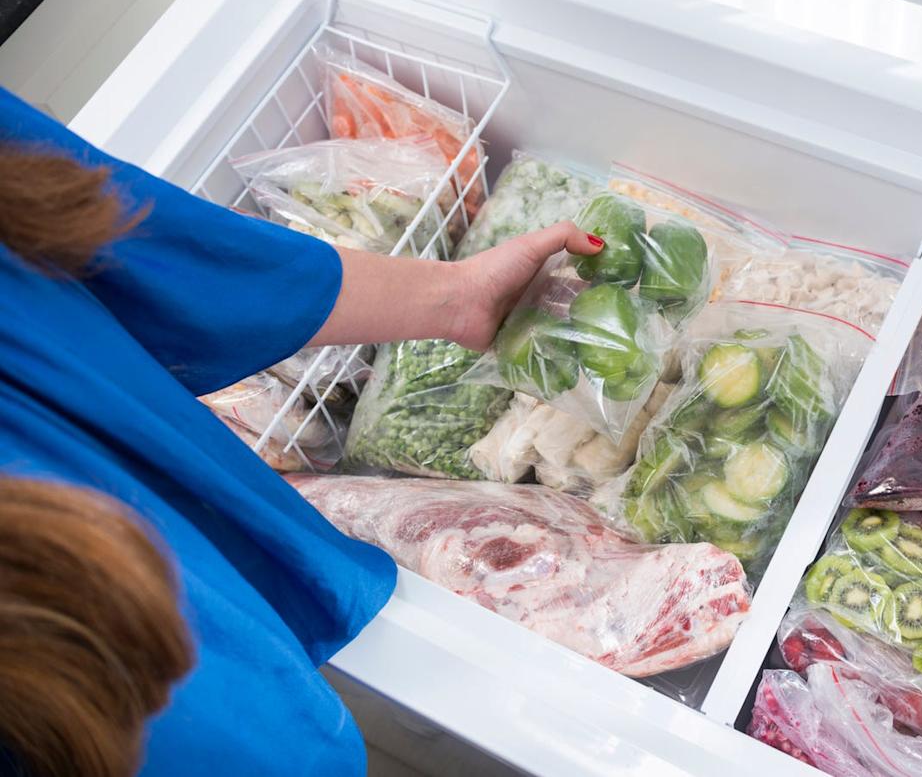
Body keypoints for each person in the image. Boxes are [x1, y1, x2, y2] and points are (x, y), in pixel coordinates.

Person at [0, 86, 604, 776]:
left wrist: (456, 295)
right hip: (65, 659)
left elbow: (132, 236)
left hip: (108, 530)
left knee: (276, 729)